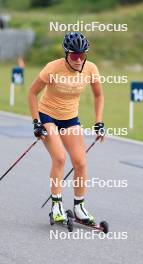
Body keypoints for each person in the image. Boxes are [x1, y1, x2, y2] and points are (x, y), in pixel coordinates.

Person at [28, 32, 105, 224]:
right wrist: (36, 122)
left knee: (80, 163)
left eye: (82, 55)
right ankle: (56, 205)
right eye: (74, 55)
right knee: (60, 158)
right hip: (47, 115)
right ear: (66, 54)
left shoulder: (91, 69)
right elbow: (32, 93)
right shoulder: (53, 68)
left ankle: (79, 207)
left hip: (70, 119)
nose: (79, 60)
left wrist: (99, 121)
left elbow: (98, 96)